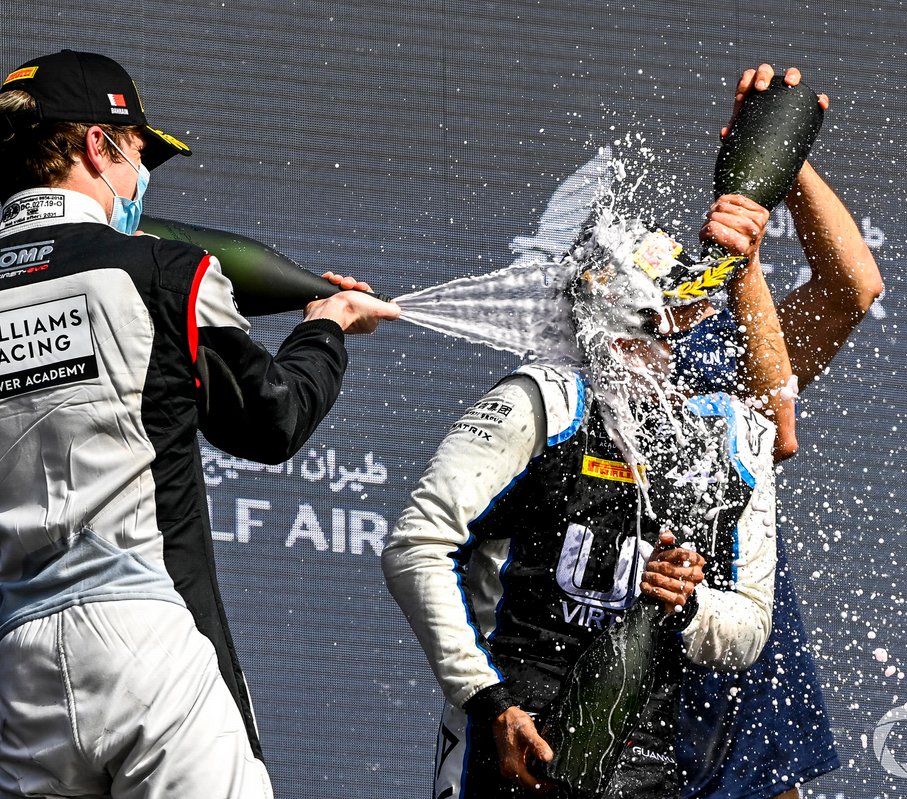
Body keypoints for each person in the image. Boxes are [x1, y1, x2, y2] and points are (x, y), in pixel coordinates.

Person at [0, 50, 400, 798]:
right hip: (146, 644)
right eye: (140, 156)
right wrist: (328, 325)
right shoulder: (163, 270)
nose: (140, 180)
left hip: (15, 677)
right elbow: (272, 419)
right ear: (98, 144)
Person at [382, 204, 781, 799]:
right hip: (512, 734)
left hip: (642, 756)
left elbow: (750, 628)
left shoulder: (731, 440)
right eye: (651, 321)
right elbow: (417, 546)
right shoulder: (541, 404)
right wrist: (491, 704)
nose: (666, 340)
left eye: (678, 319)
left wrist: (690, 603)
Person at [674, 64, 884, 799]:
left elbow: (852, 290)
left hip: (749, 696)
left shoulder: (717, 362)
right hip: (641, 700)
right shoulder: (576, 399)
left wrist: (778, 158)